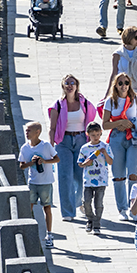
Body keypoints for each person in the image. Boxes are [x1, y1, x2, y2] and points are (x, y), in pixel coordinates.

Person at [49, 74, 101, 221]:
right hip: (63, 141)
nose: (70, 85)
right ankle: (67, 212)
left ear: (77, 86)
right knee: (65, 177)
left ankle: (78, 202)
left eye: (73, 83)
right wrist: (52, 147)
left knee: (80, 176)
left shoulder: (84, 104)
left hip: (81, 141)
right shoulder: (58, 105)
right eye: (67, 83)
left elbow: (92, 121)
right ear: (63, 86)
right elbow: (52, 128)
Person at [101, 73, 137, 221]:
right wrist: (120, 123)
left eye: (126, 83)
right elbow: (105, 124)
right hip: (117, 138)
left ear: (130, 84)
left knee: (134, 173)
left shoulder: (136, 100)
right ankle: (122, 208)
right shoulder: (110, 101)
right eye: (120, 83)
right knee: (118, 174)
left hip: (134, 137)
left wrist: (132, 123)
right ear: (116, 85)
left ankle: (133, 207)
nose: (123, 86)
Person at [18, 121, 60, 248]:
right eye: (26, 131)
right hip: (33, 182)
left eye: (29, 131)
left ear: (38, 132)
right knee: (28, 207)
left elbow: (57, 159)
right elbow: (22, 166)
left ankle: (49, 234)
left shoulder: (46, 146)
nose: (27, 133)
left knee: (47, 208)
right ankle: (27, 232)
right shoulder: (25, 148)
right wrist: (31, 163)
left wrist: (44, 161)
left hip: (46, 182)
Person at [77, 122, 114, 235]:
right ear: (88, 134)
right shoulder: (85, 148)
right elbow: (80, 163)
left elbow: (111, 161)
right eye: (93, 135)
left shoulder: (105, 146)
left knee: (98, 203)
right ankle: (90, 219)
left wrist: (105, 153)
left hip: (101, 180)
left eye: (97, 134)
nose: (96, 137)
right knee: (86, 202)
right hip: (88, 180)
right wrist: (86, 163)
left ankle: (97, 224)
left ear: (101, 133)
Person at [105, 27, 137, 101]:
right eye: (136, 37)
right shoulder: (118, 54)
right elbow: (114, 73)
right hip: (122, 87)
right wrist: (108, 92)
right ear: (129, 38)